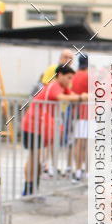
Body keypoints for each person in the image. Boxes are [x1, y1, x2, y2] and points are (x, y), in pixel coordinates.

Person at [22, 64, 85, 196]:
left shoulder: (62, 87)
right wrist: (82, 97)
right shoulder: (53, 85)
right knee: (34, 158)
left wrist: (83, 96)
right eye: (68, 78)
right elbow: (63, 98)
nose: (70, 82)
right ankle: (28, 190)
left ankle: (32, 189)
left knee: (36, 158)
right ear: (60, 75)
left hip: (40, 127)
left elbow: (71, 95)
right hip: (33, 125)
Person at [71, 53, 89, 180]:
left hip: (76, 112)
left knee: (78, 143)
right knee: (88, 144)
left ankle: (77, 169)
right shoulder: (88, 76)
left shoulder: (74, 75)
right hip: (88, 113)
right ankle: (87, 171)